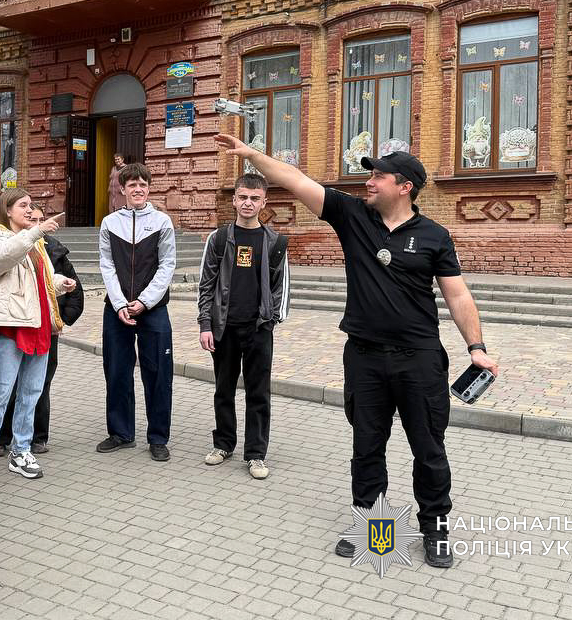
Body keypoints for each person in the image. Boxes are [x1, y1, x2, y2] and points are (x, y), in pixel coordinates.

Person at [214, 133, 500, 569]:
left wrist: (476, 348)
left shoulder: (434, 236)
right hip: (365, 357)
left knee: (429, 450)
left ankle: (435, 529)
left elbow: (457, 295)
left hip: (419, 359)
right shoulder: (352, 216)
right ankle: (374, 529)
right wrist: (253, 155)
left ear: (404, 186)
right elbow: (295, 179)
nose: (369, 181)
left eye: (379, 176)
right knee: (367, 448)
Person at [0, 189, 77, 488]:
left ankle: (21, 451)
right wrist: (36, 231)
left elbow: (43, 278)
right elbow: (1, 259)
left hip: (39, 324)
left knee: (31, 394)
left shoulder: (35, 241)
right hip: (11, 324)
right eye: (23, 205)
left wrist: (62, 283)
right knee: (0, 394)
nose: (29, 210)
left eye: (31, 206)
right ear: (7, 209)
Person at [196, 174, 291, 480]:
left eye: (255, 198)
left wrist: (271, 321)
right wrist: (205, 324)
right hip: (224, 328)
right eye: (243, 197)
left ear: (264, 203)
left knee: (258, 393)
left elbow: (281, 288)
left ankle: (256, 454)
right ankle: (223, 444)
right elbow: (206, 284)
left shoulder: (275, 242)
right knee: (223, 389)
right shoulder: (218, 239)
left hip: (258, 329)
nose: (248, 203)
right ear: (234, 200)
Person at [96, 163, 177, 461]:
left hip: (153, 309)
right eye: (132, 185)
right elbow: (107, 265)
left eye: (143, 184)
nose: (138, 189)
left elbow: (167, 265)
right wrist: (119, 303)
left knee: (158, 373)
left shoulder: (162, 222)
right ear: (123, 189)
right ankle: (121, 433)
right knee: (117, 370)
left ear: (149, 188)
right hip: (116, 309)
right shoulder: (109, 223)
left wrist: (144, 301)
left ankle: (158, 437)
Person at [0, 204, 84, 456]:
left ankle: (38, 436)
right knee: (10, 383)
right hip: (18, 326)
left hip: (46, 329)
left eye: (40, 219)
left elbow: (75, 290)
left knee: (40, 384)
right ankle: (2, 437)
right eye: (32, 219)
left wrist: (61, 320)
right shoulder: (11, 245)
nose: (37, 224)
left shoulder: (54, 249)